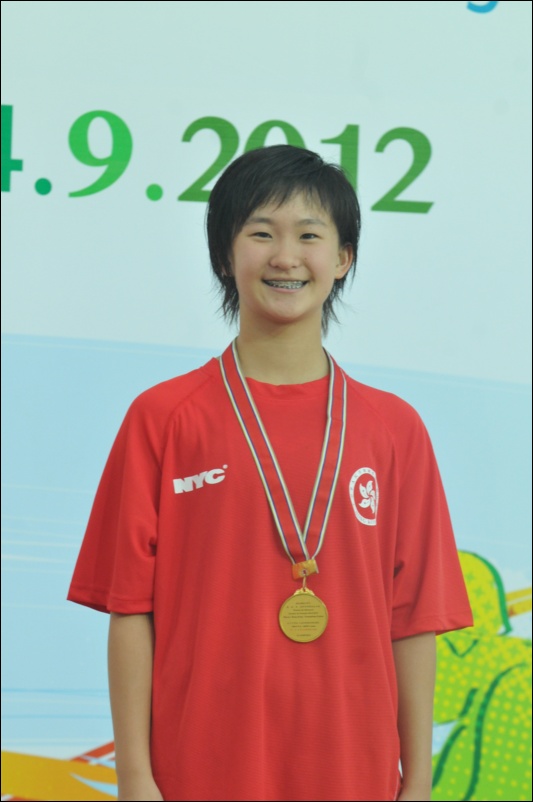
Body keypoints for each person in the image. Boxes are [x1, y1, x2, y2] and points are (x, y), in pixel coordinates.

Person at [68, 144, 473, 802]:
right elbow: (129, 611)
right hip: (198, 770)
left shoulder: (394, 429)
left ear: (343, 259)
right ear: (224, 256)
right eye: (261, 234)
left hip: (353, 772)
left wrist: (419, 781)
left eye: (309, 235)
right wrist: (135, 777)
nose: (285, 257)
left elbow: (413, 620)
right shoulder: (163, 418)